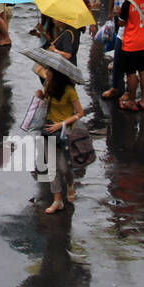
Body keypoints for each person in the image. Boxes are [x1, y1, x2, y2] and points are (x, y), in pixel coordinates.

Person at [38, 68, 84, 214]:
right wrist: (40, 96)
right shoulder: (48, 85)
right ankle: (57, 200)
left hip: (65, 132)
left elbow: (80, 113)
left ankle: (70, 183)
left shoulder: (70, 91)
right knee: (52, 167)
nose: (46, 73)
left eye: (49, 71)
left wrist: (62, 124)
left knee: (64, 167)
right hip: (49, 129)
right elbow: (44, 103)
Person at [115, 0, 144, 110]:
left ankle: (131, 101)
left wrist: (118, 13)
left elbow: (121, 23)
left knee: (131, 73)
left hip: (131, 42)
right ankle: (143, 101)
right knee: (143, 70)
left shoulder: (128, 4)